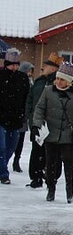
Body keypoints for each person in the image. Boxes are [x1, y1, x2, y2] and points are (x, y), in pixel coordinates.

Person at [31, 62, 73, 203]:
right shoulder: (48, 91)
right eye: (58, 78)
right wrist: (36, 125)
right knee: (51, 164)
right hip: (51, 134)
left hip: (68, 135)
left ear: (69, 81)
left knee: (69, 166)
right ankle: (51, 190)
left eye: (62, 79)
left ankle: (69, 192)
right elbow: (40, 109)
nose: (59, 81)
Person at [25, 52, 63, 188]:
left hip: (52, 123)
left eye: (46, 66)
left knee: (52, 152)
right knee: (36, 150)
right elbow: (30, 99)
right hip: (38, 121)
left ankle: (51, 177)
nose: (43, 68)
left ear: (53, 69)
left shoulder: (58, 83)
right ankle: (36, 177)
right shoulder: (39, 81)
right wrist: (30, 116)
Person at [0, 49, 30, 184]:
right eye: (12, 64)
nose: (15, 67)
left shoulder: (23, 78)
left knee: (11, 147)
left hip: (16, 118)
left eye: (17, 64)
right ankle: (3, 174)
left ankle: (2, 167)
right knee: (1, 146)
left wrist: (24, 113)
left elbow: (26, 98)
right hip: (0, 118)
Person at [11, 61, 34, 173]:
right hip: (16, 114)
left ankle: (17, 160)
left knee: (20, 140)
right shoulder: (18, 81)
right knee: (13, 139)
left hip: (24, 115)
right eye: (29, 70)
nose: (30, 73)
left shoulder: (30, 82)